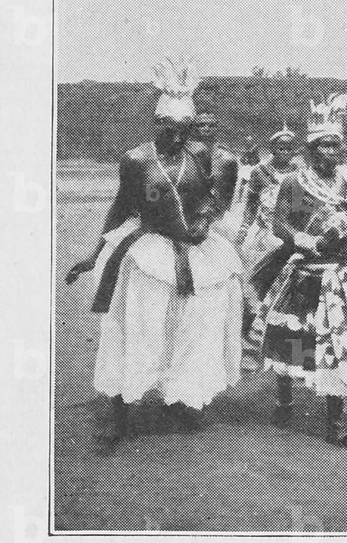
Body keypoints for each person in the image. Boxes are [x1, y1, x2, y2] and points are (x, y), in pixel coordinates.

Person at [65, 56, 244, 448]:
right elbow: (121, 207)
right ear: (157, 123)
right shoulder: (136, 160)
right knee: (137, 330)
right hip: (149, 255)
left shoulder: (204, 158)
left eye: (185, 129)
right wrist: (96, 254)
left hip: (197, 254)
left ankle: (180, 397)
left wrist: (205, 221)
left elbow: (217, 199)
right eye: (170, 128)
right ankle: (120, 412)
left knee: (192, 329)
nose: (178, 136)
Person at [254, 98, 347, 446]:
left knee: (339, 344)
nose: (332, 151)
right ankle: (285, 401)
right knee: (294, 340)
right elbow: (279, 224)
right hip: (306, 271)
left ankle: (333, 422)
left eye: (336, 145)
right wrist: (306, 240)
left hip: (342, 271)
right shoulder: (294, 183)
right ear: (312, 150)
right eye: (325, 146)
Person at [234, 128, 301, 347]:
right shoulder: (259, 172)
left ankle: (276, 338)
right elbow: (251, 204)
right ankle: (246, 335)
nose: (285, 151)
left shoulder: (300, 174)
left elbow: (301, 209)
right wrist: (244, 229)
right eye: (280, 147)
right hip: (264, 236)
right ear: (271, 148)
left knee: (285, 288)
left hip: (288, 238)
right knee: (255, 284)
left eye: (290, 148)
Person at [189, 111, 238, 217]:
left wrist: (221, 212)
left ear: (216, 128)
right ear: (194, 128)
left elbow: (229, 191)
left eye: (211, 125)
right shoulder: (184, 153)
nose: (206, 128)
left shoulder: (227, 158)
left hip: (214, 214)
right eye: (201, 125)